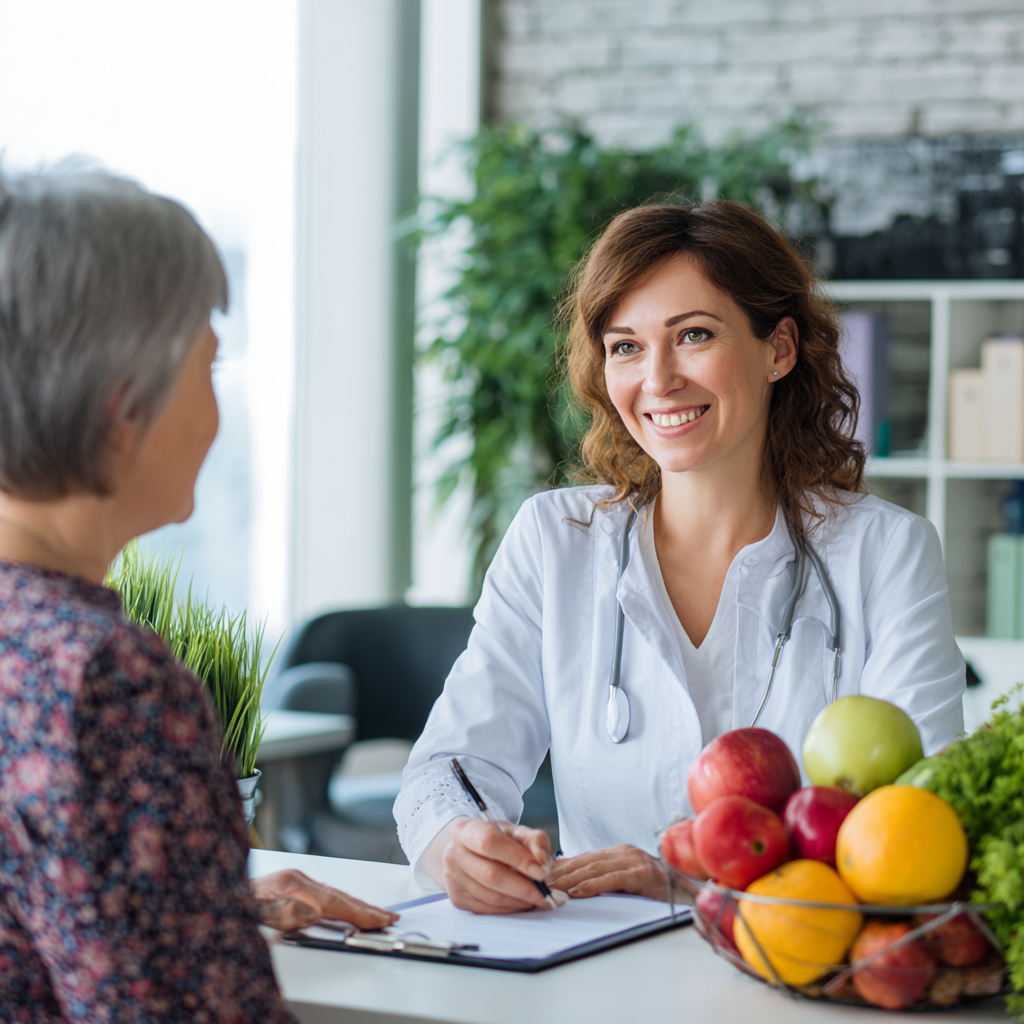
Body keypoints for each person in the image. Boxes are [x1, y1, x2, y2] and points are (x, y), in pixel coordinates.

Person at [394, 201, 966, 914]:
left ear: (779, 349)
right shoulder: (555, 539)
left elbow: (925, 824)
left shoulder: (886, 553)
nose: (658, 379)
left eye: (693, 335)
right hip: (592, 980)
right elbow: (446, 770)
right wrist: (458, 843)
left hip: (792, 975)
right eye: (625, 346)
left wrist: (690, 881)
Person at [0, 165, 397, 1021]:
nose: (219, 410)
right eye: (209, 366)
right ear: (123, 406)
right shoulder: (106, 681)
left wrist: (191, 903)